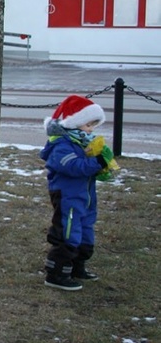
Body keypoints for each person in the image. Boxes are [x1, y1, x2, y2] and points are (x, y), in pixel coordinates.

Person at [41, 95, 117, 291]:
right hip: (68, 195)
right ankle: (57, 272)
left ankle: (77, 266)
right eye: (88, 125)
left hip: (85, 195)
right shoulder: (61, 144)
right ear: (73, 123)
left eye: (93, 125)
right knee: (68, 230)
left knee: (85, 229)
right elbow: (72, 166)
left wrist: (101, 166)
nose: (91, 130)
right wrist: (96, 163)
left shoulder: (82, 142)